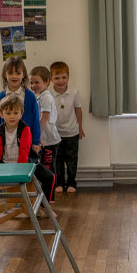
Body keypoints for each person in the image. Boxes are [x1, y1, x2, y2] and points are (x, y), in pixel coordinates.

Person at [0, 94, 56, 205]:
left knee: (50, 177)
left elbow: (24, 151)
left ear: (21, 114)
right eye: (8, 113)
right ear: (1, 114)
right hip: (5, 163)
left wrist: (20, 172)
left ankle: (43, 205)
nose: (12, 117)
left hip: (25, 163)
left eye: (15, 113)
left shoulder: (25, 129)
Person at [49, 61, 85, 193]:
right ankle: (59, 183)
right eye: (57, 78)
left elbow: (78, 110)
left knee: (71, 160)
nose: (60, 81)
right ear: (51, 79)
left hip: (72, 132)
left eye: (64, 77)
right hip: (55, 134)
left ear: (68, 77)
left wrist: (80, 128)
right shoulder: (49, 95)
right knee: (57, 160)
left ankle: (71, 183)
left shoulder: (74, 92)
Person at [0, 57, 41, 149]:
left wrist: (36, 142)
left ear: (23, 75)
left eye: (18, 73)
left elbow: (36, 120)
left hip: (26, 144)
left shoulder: (30, 96)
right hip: (6, 144)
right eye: (10, 73)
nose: (14, 76)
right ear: (5, 75)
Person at [30, 66, 61, 202]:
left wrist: (37, 137)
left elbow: (44, 117)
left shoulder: (46, 98)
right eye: (31, 82)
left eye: (37, 82)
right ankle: (44, 196)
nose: (33, 85)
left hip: (48, 140)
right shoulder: (40, 97)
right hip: (44, 139)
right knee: (43, 168)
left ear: (47, 82)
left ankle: (49, 198)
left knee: (47, 170)